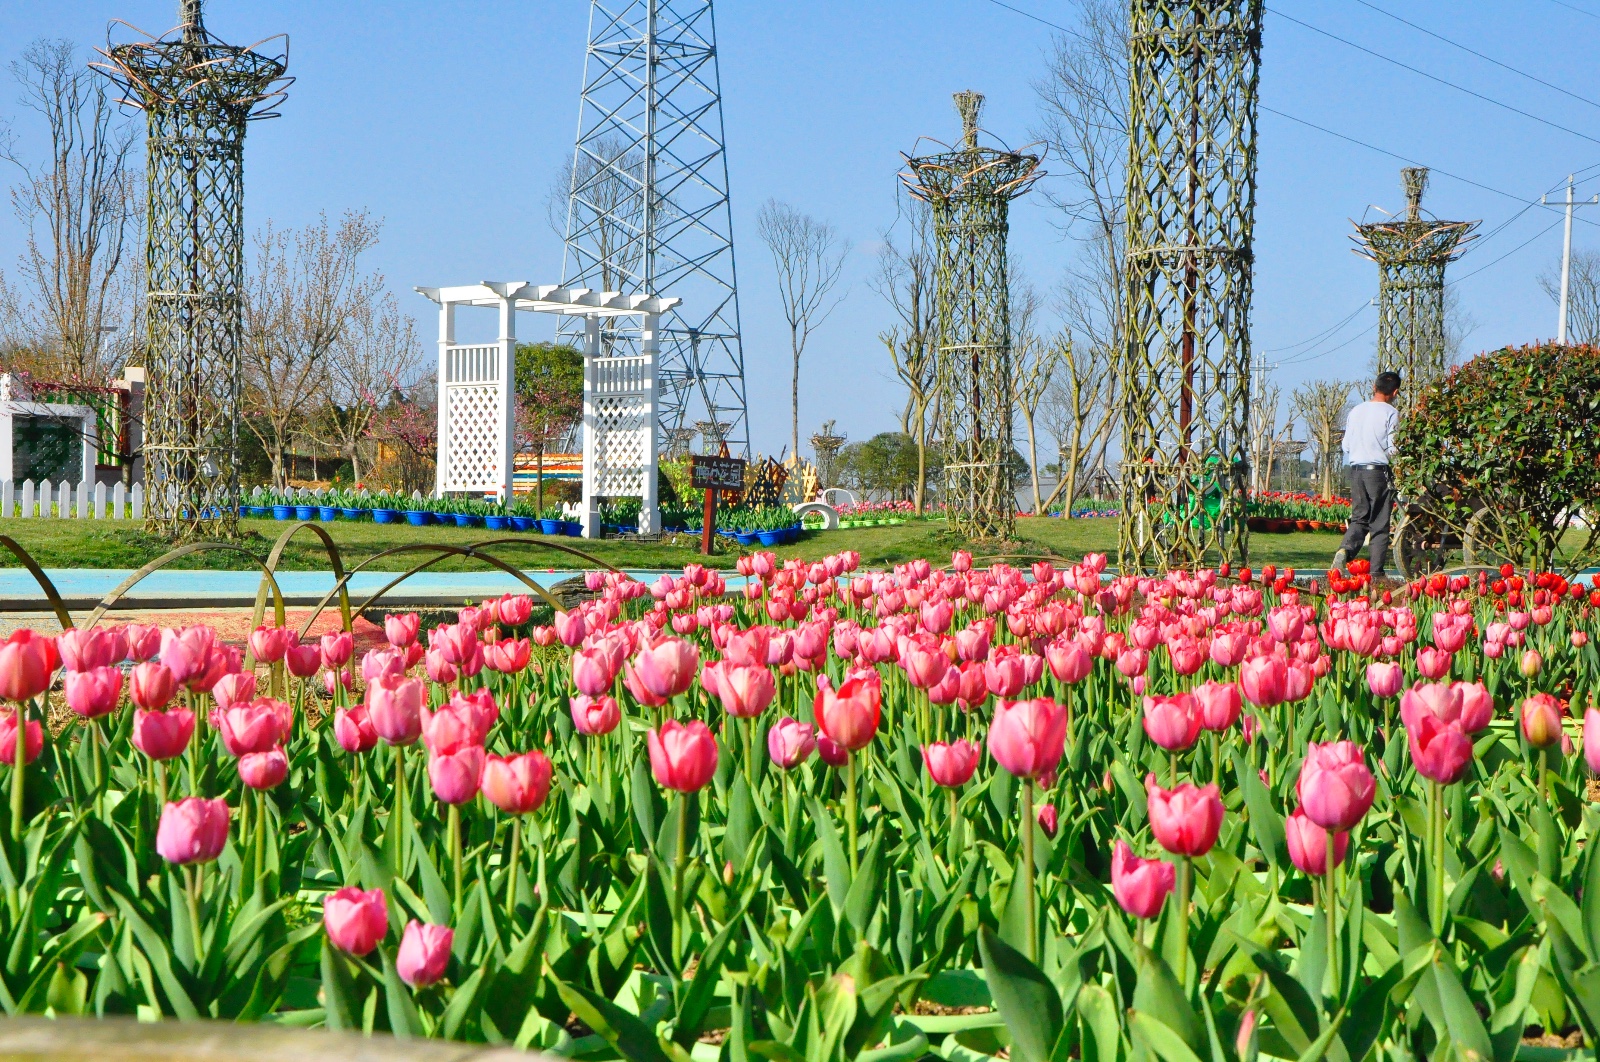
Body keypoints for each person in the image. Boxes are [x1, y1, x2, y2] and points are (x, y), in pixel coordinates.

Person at [1332, 371, 1401, 576]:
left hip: (1357, 471)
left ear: (1374, 386)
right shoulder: (1391, 413)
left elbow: (1346, 445)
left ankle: (1345, 550)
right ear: (1395, 392)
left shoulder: (1356, 411)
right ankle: (1377, 573)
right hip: (1378, 472)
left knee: (1359, 517)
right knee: (1380, 522)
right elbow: (1393, 448)